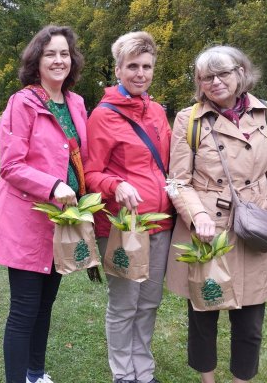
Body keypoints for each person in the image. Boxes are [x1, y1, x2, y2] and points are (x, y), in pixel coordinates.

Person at [165, 46, 267, 383]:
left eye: (223, 73)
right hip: (208, 232)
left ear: (241, 72)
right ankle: (207, 380)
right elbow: (178, 181)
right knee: (203, 317)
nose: (215, 82)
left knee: (250, 324)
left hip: (254, 229)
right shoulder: (189, 119)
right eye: (206, 77)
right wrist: (197, 216)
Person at [0, 25, 86, 383]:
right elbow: (11, 165)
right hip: (27, 223)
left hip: (61, 222)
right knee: (25, 310)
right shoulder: (22, 103)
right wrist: (54, 184)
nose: (59, 60)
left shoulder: (75, 103)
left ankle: (35, 374)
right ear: (37, 61)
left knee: (45, 308)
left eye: (64, 54)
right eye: (51, 54)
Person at [85, 31, 173, 383]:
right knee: (124, 305)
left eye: (146, 66)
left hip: (160, 225)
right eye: (132, 66)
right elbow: (90, 172)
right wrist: (116, 184)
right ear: (118, 70)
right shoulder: (103, 115)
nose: (140, 73)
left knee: (149, 302)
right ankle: (124, 373)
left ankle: (144, 370)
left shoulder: (158, 113)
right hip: (122, 227)